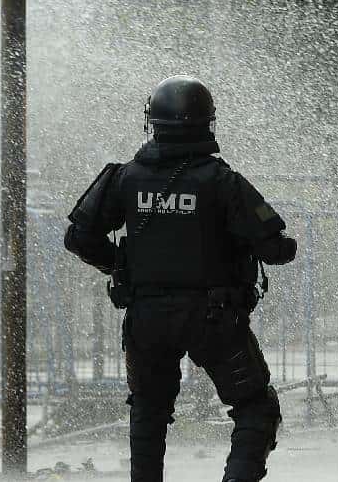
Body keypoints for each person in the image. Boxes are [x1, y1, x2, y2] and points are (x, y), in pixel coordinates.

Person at [64, 75, 298, 482]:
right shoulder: (223, 181)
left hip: (147, 319)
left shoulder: (126, 178)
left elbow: (78, 236)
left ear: (151, 122)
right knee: (256, 408)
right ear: (208, 123)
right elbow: (278, 249)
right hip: (214, 319)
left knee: (149, 413)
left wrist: (120, 265)